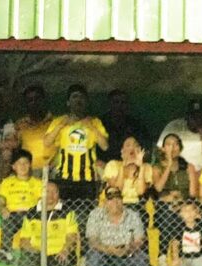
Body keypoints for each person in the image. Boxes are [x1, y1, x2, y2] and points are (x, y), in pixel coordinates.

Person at [44, 84, 108, 241]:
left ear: (86, 101)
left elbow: (104, 145)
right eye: (74, 97)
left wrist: (91, 127)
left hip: (87, 179)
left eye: (81, 97)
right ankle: (63, 248)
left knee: (84, 217)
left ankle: (84, 253)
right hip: (64, 178)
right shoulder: (59, 121)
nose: (78, 100)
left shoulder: (95, 121)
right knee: (63, 215)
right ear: (67, 102)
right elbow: (47, 142)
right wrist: (61, 125)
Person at [15, 181, 79, 266]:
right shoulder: (31, 212)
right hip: (37, 252)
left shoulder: (67, 211)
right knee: (25, 260)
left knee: (65, 261)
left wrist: (65, 250)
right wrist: (33, 250)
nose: (51, 195)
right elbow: (24, 240)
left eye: (54, 192)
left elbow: (72, 236)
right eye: (47, 192)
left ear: (58, 194)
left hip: (58, 252)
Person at [85, 187, 148, 266]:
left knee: (142, 259)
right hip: (103, 254)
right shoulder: (95, 214)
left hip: (127, 255)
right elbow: (92, 240)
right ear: (105, 202)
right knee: (93, 257)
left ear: (122, 200)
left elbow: (139, 239)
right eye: (111, 199)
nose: (115, 202)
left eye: (118, 198)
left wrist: (129, 248)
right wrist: (108, 249)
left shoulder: (133, 215)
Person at [154, 133, 201, 266]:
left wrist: (181, 203)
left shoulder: (188, 167)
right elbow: (158, 188)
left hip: (185, 204)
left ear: (180, 148)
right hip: (165, 205)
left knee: (184, 213)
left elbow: (193, 193)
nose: (172, 148)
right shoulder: (157, 167)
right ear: (163, 148)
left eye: (175, 144)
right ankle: (162, 255)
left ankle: (185, 255)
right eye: (168, 144)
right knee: (167, 212)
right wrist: (168, 165)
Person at [0, 149, 42, 264]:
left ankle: (33, 253)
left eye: (26, 163)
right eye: (19, 163)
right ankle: (6, 251)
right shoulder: (6, 182)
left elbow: (41, 201)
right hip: (13, 214)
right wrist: (2, 208)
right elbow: (0, 201)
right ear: (14, 166)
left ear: (30, 165)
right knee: (7, 220)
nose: (23, 166)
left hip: (32, 214)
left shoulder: (38, 183)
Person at [157, 99, 202, 171]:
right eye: (193, 117)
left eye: (199, 116)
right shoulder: (174, 126)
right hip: (179, 171)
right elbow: (160, 152)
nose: (196, 120)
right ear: (187, 117)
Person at [101, 136, 153, 208]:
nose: (132, 149)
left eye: (136, 146)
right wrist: (123, 166)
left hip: (139, 207)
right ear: (122, 150)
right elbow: (117, 190)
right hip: (117, 206)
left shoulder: (146, 167)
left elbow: (141, 191)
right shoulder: (113, 165)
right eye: (128, 145)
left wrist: (141, 167)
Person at [14, 84, 52, 175]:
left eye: (37, 99)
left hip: (51, 170)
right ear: (26, 104)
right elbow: (14, 146)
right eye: (30, 100)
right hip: (27, 171)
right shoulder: (20, 125)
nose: (34, 103)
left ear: (44, 100)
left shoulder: (55, 122)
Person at [103, 89, 149, 164]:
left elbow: (145, 148)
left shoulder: (136, 125)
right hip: (106, 166)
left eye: (123, 103)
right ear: (110, 104)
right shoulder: (101, 123)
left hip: (131, 165)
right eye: (116, 102)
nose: (119, 106)